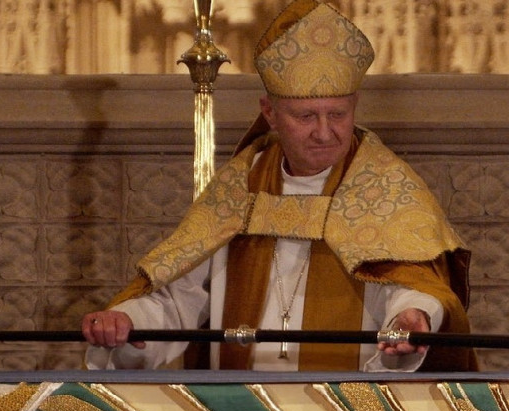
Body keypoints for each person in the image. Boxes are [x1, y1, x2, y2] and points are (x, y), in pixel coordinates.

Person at [81, 0, 476, 372]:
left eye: (337, 114)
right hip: (239, 403)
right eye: (306, 116)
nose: (325, 132)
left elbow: (414, 285)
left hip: (346, 405)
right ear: (269, 113)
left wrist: (413, 316)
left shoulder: (387, 188)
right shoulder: (241, 188)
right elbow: (177, 298)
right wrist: (126, 321)